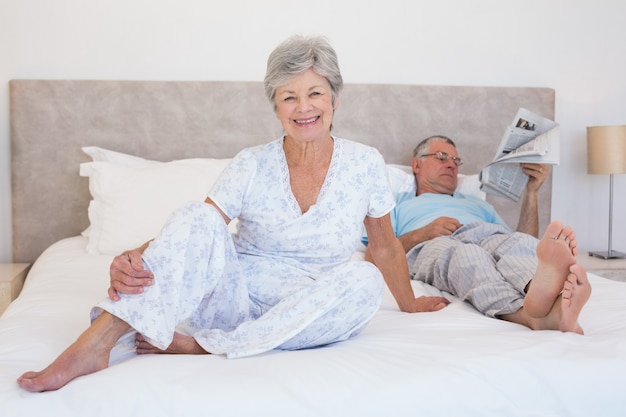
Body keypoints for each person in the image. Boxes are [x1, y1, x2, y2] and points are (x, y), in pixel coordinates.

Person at [17, 36, 449, 393]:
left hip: (313, 307)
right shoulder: (251, 162)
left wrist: (408, 304)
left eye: (315, 93)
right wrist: (137, 256)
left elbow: (385, 245)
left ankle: (203, 347)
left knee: (365, 280)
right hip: (233, 300)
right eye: (289, 97)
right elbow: (197, 231)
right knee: (195, 213)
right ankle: (97, 343)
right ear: (275, 106)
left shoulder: (364, 163)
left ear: (334, 99)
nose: (304, 107)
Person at [365, 135, 591, 333]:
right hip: (435, 243)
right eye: (442, 157)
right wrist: (422, 233)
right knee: (468, 256)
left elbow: (528, 240)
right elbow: (375, 252)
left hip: (488, 234)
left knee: (519, 243)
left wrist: (531, 192)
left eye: (456, 161)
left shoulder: (479, 205)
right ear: (417, 164)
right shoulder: (396, 204)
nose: (452, 165)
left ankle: (537, 291)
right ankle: (528, 314)